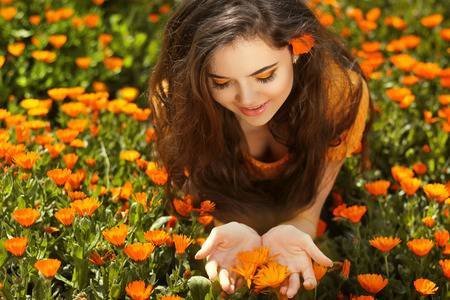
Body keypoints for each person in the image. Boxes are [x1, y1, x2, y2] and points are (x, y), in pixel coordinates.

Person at [148, 0, 372, 298]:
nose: (248, 99)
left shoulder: (338, 94)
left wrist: (302, 225)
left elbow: (308, 214)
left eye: (265, 76)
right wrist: (226, 224)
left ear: (298, 48)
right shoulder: (178, 103)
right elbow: (203, 187)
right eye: (222, 83)